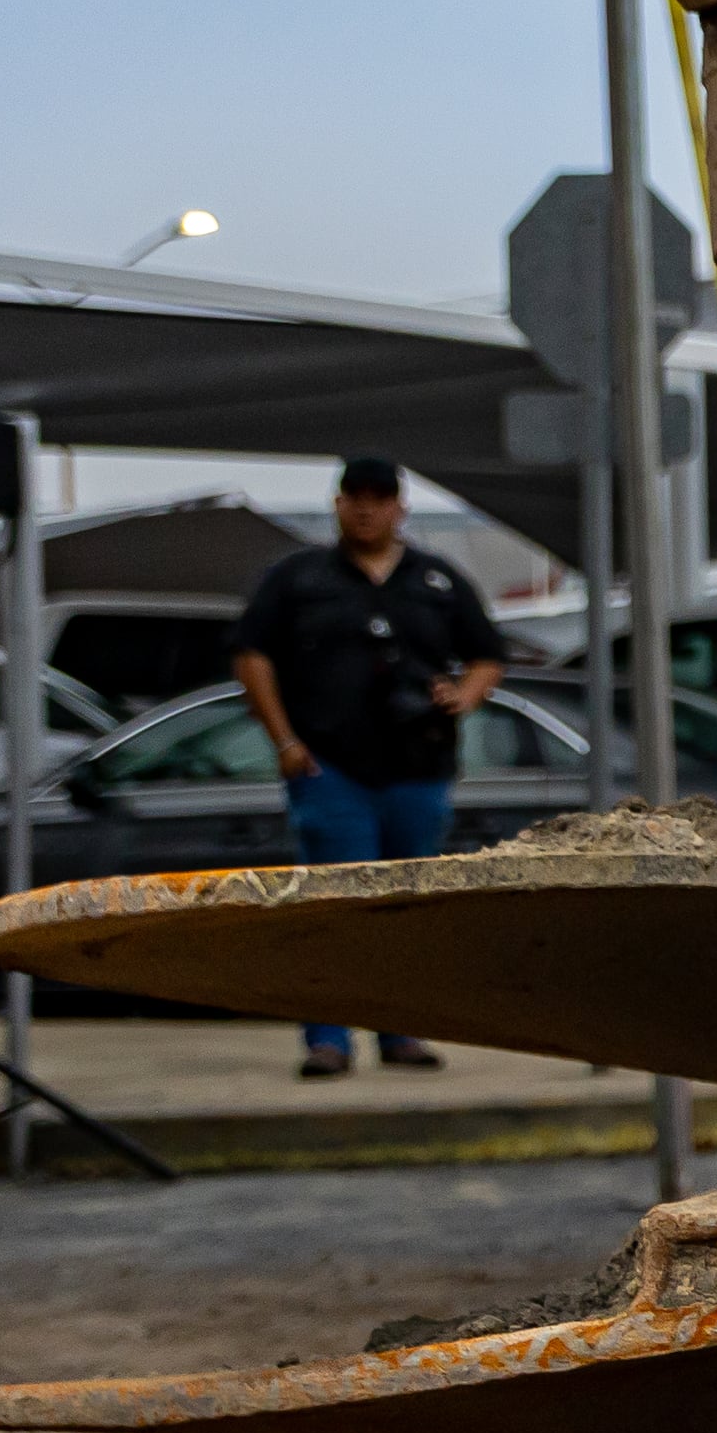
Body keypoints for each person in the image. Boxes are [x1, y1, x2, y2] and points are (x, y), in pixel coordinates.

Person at [225, 456, 507, 1077]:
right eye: (356, 496)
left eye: (380, 497)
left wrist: (465, 695)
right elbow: (251, 654)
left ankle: (401, 1032)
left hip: (418, 767)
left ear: (399, 507)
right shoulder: (298, 578)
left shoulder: (436, 580)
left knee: (406, 906)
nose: (367, 508)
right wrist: (284, 740)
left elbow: (488, 654)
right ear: (338, 502)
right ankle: (328, 1040)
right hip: (332, 768)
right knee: (333, 905)